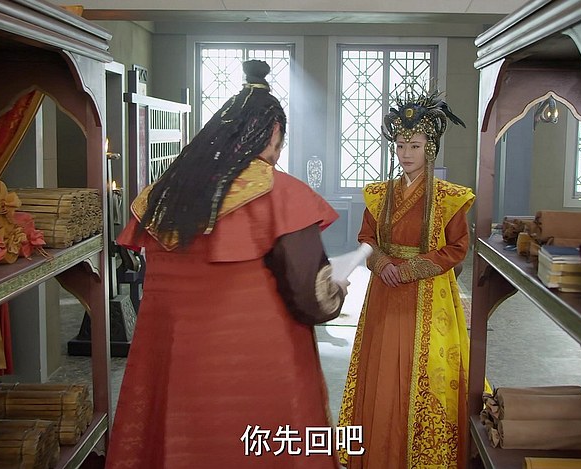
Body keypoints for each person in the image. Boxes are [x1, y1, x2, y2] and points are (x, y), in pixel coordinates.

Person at [106, 60, 346, 469]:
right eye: (280, 142)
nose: (278, 153)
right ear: (272, 133)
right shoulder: (281, 194)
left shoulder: (164, 195)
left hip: (173, 358)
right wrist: (337, 290)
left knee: (179, 444)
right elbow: (312, 296)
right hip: (255, 364)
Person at [338, 89, 475, 469]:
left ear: (429, 148)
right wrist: (382, 263)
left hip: (429, 293)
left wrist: (412, 269)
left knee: (426, 369)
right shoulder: (379, 195)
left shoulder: (450, 197)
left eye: (414, 145)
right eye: (400, 145)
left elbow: (457, 247)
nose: (406, 153)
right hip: (385, 290)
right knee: (382, 370)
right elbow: (366, 238)